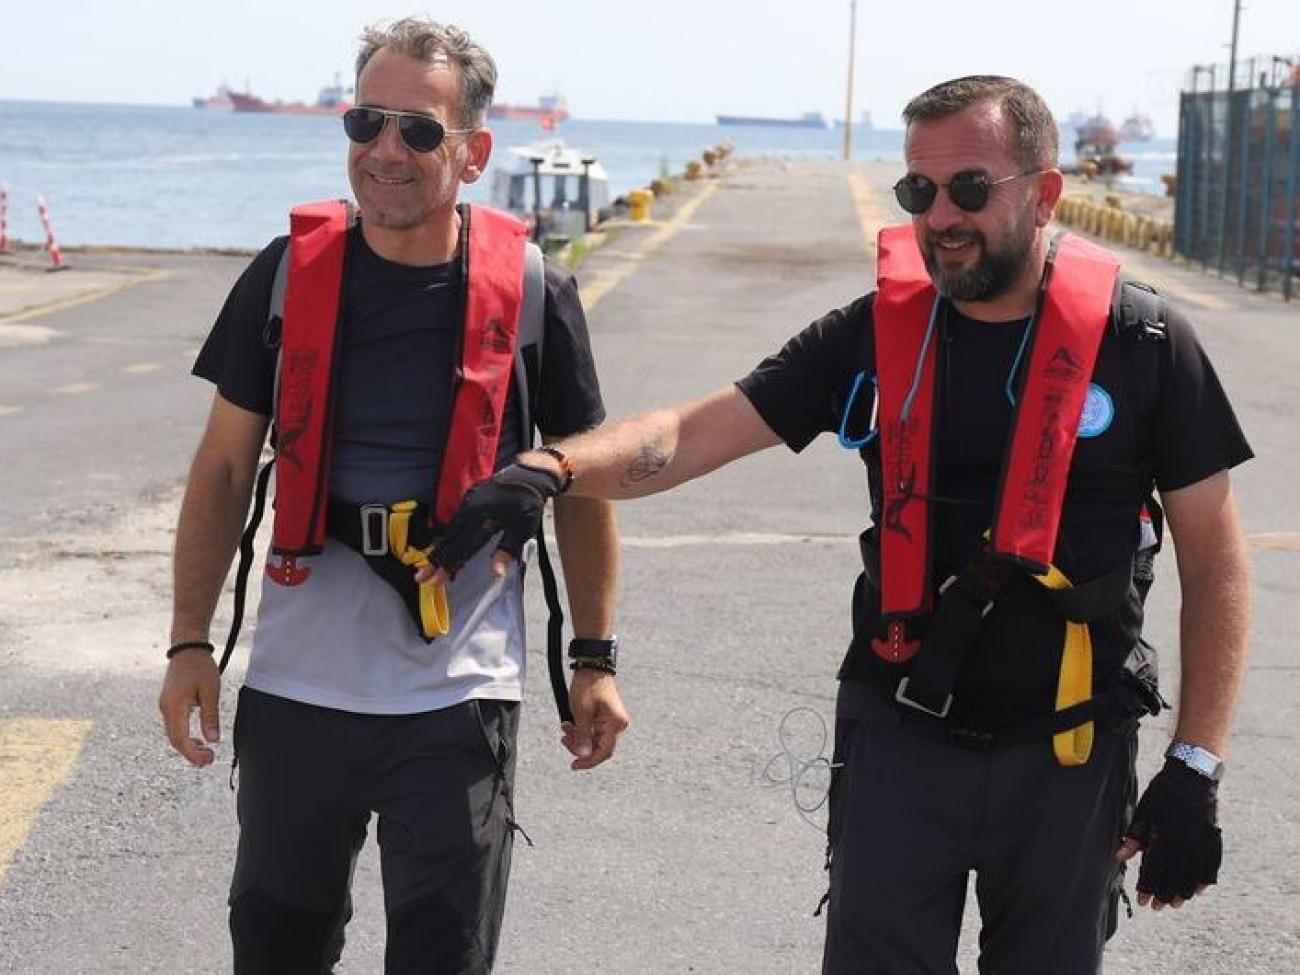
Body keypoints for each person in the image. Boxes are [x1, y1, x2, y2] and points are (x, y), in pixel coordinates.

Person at [428, 76, 1253, 973]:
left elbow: (1215, 562)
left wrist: (1196, 766)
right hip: (901, 737)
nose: (942, 215)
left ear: (1044, 192)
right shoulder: (872, 333)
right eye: (919, 192)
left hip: (1068, 750)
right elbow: (693, 431)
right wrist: (552, 469)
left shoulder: (1143, 343)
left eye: (970, 188)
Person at [157, 16, 628, 975]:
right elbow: (220, 470)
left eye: (418, 130)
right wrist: (188, 640)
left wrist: (594, 656)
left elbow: (587, 482)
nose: (385, 150)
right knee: (275, 950)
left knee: (443, 958)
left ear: (473, 151)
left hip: (458, 698)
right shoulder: (286, 276)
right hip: (298, 690)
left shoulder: (536, 291)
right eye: (365, 120)